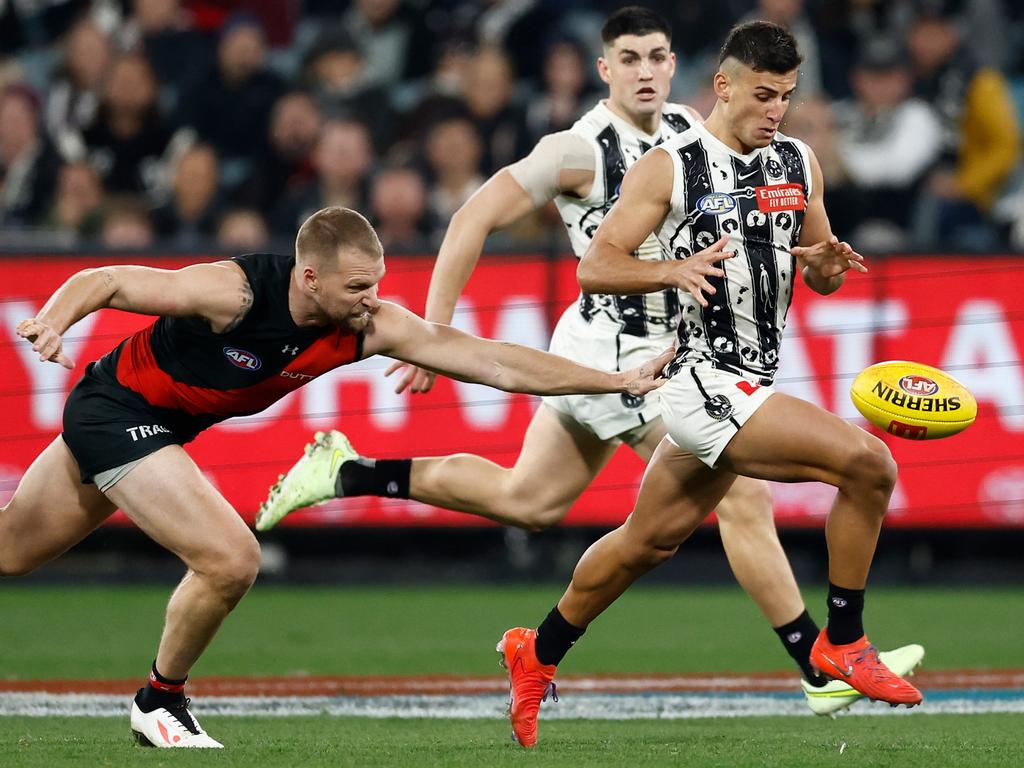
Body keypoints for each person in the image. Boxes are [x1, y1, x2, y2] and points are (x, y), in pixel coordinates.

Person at [255, 7, 922, 720]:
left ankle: (516, 630)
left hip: (692, 357)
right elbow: (476, 218)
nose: (645, 70)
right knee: (785, 486)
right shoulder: (584, 150)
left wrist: (820, 264)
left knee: (565, 514)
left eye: (657, 56)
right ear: (609, 69)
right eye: (629, 57)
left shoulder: (739, 147)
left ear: (679, 69)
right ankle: (823, 659)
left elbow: (799, 253)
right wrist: (435, 335)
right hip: (631, 359)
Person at [3, 206, 669, 749]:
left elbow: (493, 362)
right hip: (113, 411)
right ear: (309, 276)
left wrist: (612, 381)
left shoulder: (368, 324)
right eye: (356, 287)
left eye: (375, 282)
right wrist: (54, 321)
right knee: (230, 558)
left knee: (12, 551)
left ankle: (160, 702)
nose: (370, 299)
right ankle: (160, 703)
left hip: (153, 426)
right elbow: (109, 279)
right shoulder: (233, 291)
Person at [497, 20, 924, 748]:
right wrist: (671, 269)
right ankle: (843, 642)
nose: (777, 111)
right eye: (764, 95)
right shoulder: (671, 166)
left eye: (786, 96)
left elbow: (815, 263)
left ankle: (534, 652)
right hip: (699, 386)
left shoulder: (797, 162)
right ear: (723, 86)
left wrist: (825, 267)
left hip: (751, 381)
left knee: (644, 543)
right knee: (868, 463)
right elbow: (597, 266)